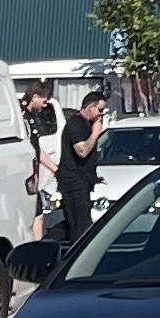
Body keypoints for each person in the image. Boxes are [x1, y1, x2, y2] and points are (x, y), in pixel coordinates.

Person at [57, 82, 106, 248]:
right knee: (80, 225)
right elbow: (82, 151)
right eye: (100, 110)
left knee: (82, 221)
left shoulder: (86, 124)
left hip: (83, 180)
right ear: (90, 107)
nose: (101, 114)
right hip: (73, 182)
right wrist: (95, 134)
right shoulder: (76, 124)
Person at [19, 79, 61, 245]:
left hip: (33, 176)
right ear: (34, 96)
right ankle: (35, 247)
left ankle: (38, 245)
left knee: (38, 214)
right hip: (23, 175)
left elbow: (37, 149)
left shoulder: (31, 117)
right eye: (43, 101)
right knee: (33, 214)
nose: (44, 106)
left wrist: (55, 169)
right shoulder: (21, 117)